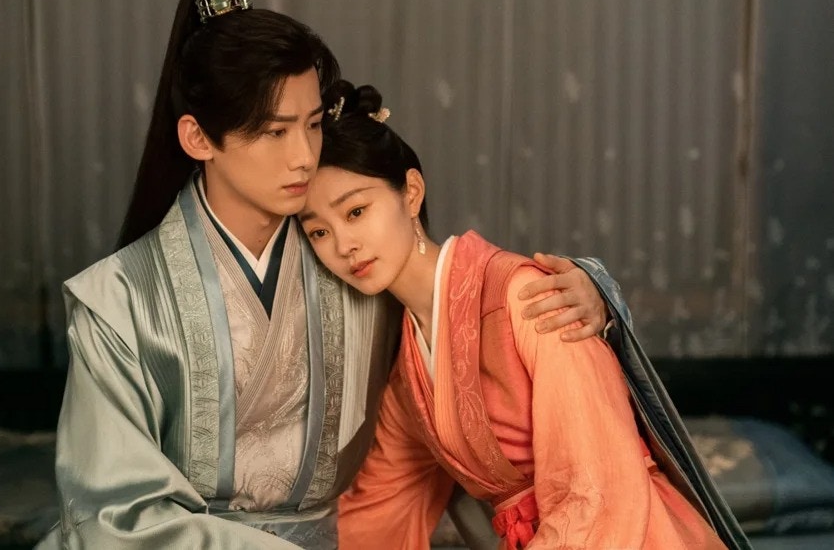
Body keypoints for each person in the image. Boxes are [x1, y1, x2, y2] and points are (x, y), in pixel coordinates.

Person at [36, 0, 625, 549]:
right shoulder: (117, 300)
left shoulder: (349, 254)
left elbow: (469, 308)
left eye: (313, 125)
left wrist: (591, 292)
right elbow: (113, 517)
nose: (303, 157)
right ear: (198, 139)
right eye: (275, 132)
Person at [298, 81, 751, 549]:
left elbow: (595, 488)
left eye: (356, 211)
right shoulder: (409, 368)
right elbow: (378, 510)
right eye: (318, 233)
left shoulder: (527, 297)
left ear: (411, 193)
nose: (343, 245)